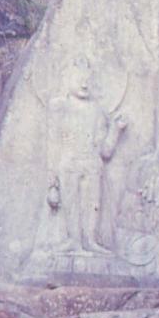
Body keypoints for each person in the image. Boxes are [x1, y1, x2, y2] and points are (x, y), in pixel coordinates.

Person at [42, 58, 127, 254]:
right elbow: (53, 145)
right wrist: (52, 183)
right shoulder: (59, 107)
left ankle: (90, 240)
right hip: (68, 163)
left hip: (92, 164)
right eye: (79, 78)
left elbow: (105, 152)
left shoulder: (97, 111)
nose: (84, 83)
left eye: (88, 79)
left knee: (92, 204)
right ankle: (74, 241)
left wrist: (115, 130)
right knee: (70, 204)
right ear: (67, 79)